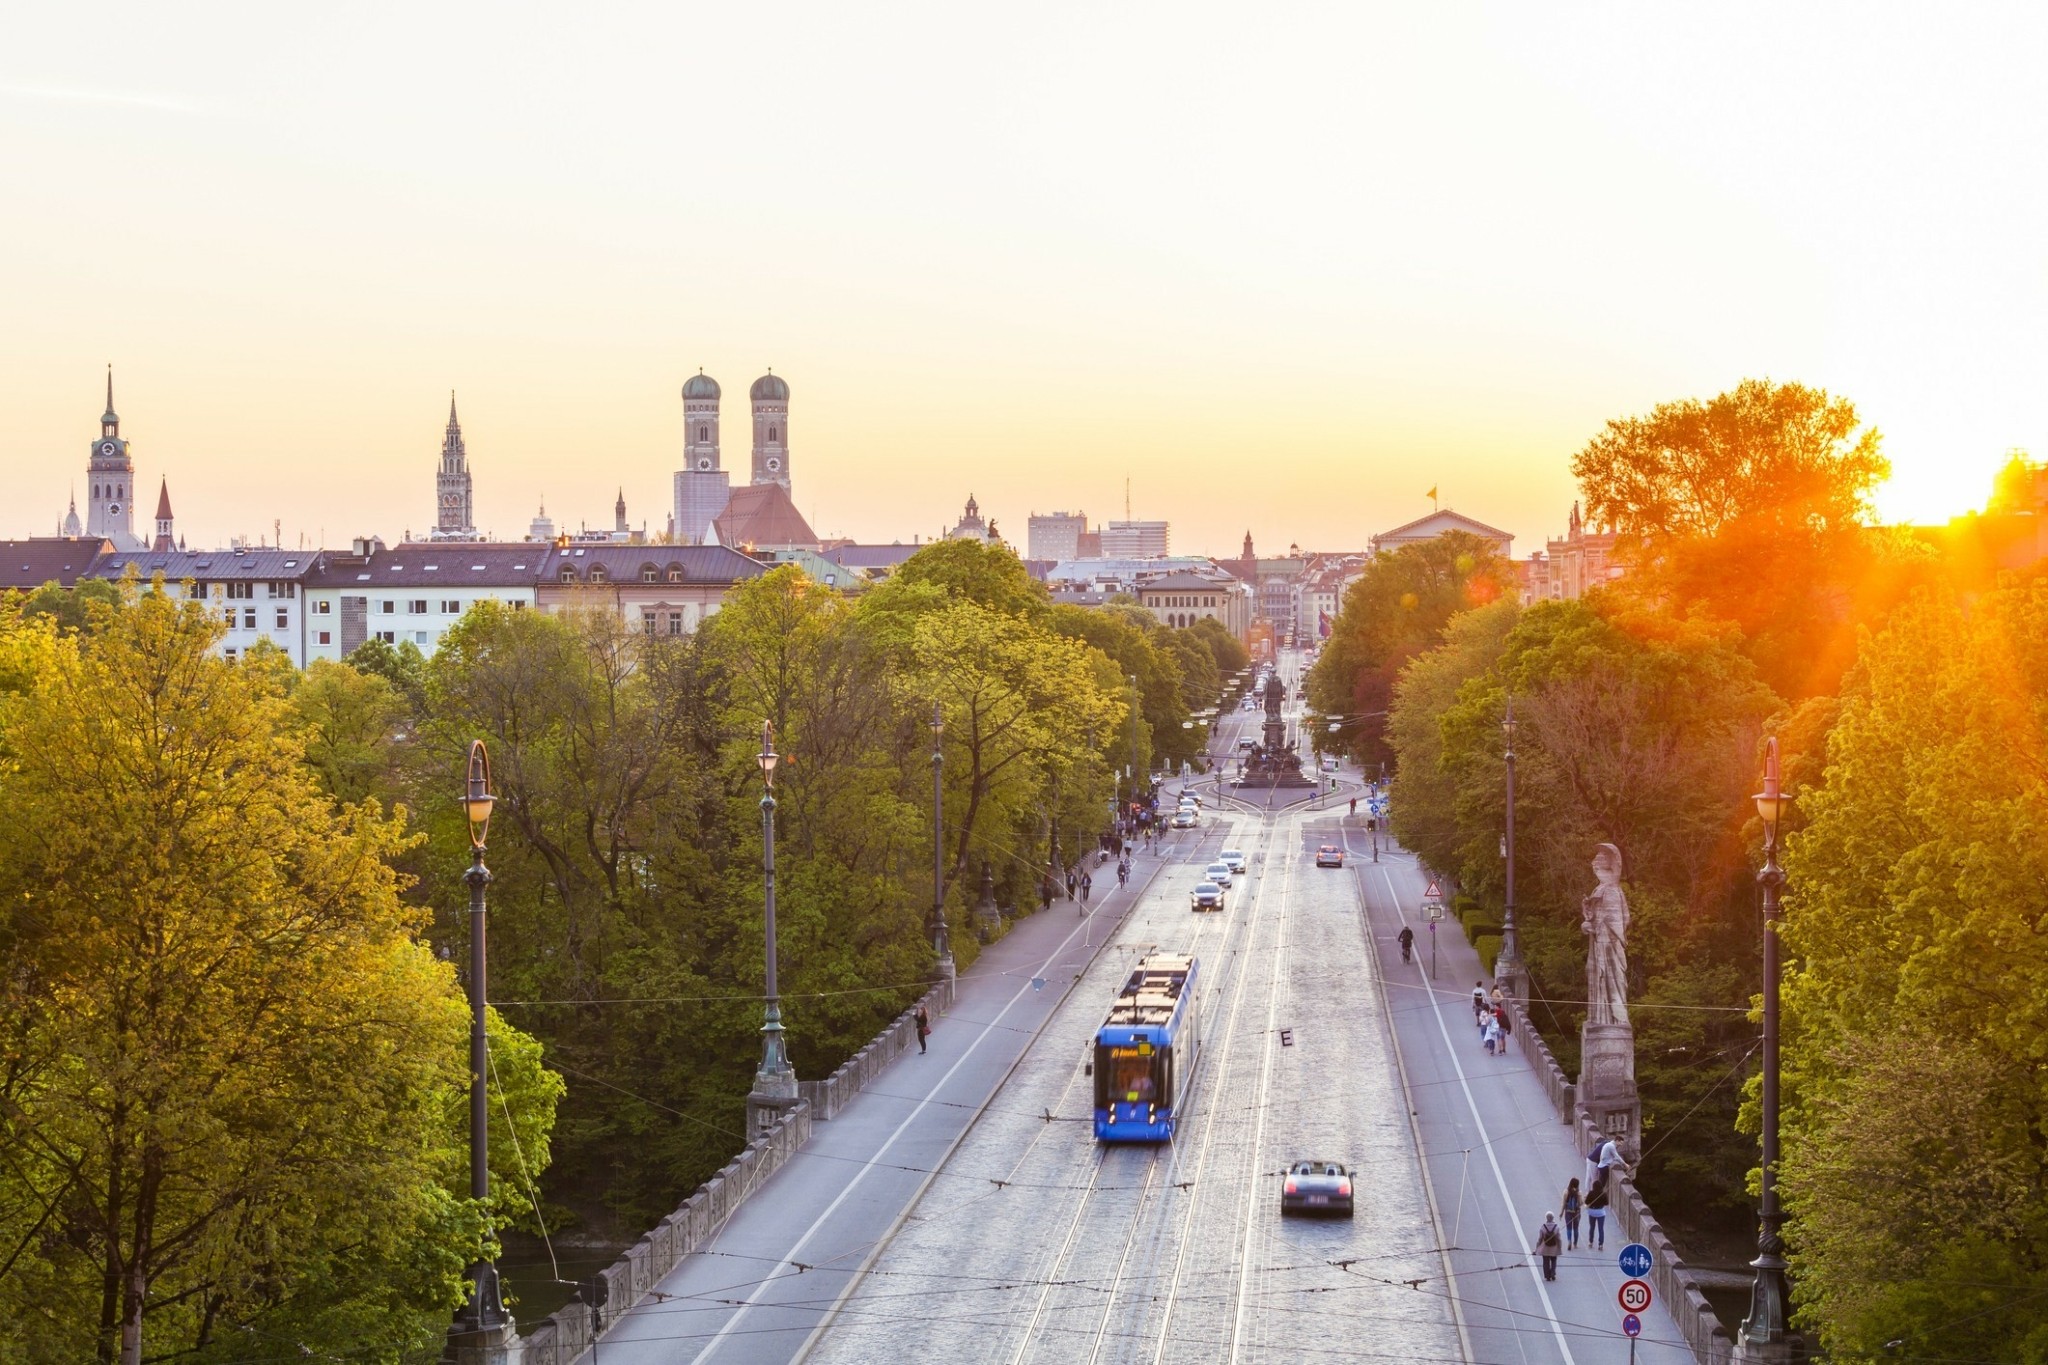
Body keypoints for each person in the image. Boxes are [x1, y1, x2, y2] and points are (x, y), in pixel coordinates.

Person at [1585, 1168, 1610, 1249]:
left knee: (1592, 1227)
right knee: (1600, 1229)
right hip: (1600, 1212)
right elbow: (1606, 1203)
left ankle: (1590, 1242)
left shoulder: (1591, 1193)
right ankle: (1600, 1244)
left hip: (1592, 1212)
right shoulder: (1603, 1194)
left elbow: (1586, 1202)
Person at [1535, 1212, 1563, 1281]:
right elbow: (1559, 1238)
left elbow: (1540, 1239)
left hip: (1545, 1248)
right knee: (1554, 1260)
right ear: (1553, 1218)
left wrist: (1537, 1247)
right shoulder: (1556, 1227)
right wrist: (1560, 1246)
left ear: (1546, 1218)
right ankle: (1553, 1273)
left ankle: (1547, 1275)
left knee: (1545, 1261)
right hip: (1554, 1248)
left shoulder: (1543, 1227)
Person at [1561, 1178, 1582, 1250]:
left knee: (1568, 1228)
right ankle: (1575, 1243)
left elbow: (1563, 1204)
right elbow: (1580, 1203)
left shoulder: (1566, 1192)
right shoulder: (1578, 1193)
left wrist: (1561, 1213)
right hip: (1576, 1212)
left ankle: (1569, 1241)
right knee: (1576, 1228)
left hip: (1568, 1212)